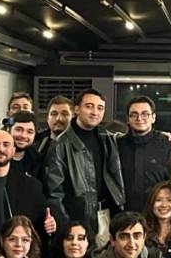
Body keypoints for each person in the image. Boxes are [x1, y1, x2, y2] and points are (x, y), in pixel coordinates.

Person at [44, 88, 125, 248]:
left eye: (100, 108)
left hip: (107, 215)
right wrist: (67, 227)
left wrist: (162, 135)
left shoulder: (108, 138)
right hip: (77, 220)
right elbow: (54, 194)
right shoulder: (60, 145)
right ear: (76, 109)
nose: (95, 112)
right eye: (89, 106)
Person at [118, 95, 171, 212]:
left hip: (158, 213)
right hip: (124, 214)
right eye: (134, 114)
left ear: (153, 118)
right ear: (128, 119)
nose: (139, 118)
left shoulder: (168, 145)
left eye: (145, 114)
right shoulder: (117, 145)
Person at [34, 94, 74, 166]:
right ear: (47, 118)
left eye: (64, 114)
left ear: (73, 118)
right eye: (54, 114)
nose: (59, 118)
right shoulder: (36, 146)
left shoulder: (82, 147)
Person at [7, 110, 43, 184]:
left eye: (29, 132)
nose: (23, 135)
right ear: (9, 130)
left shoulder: (38, 161)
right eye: (18, 130)